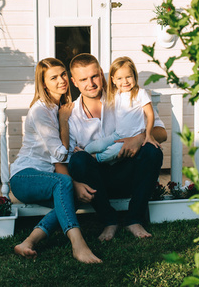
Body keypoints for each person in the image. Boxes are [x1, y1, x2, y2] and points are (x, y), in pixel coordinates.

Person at [63, 53, 167, 241]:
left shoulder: (126, 97)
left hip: (128, 173)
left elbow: (161, 133)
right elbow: (68, 158)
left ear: (102, 76)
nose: (91, 83)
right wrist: (75, 184)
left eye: (94, 76)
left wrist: (139, 138)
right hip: (96, 183)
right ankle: (109, 220)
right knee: (79, 160)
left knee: (152, 150)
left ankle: (134, 219)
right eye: (83, 79)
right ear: (74, 82)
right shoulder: (71, 115)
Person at [10, 58, 101, 264]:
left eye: (62, 75)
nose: (61, 80)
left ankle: (28, 242)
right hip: (25, 177)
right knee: (66, 184)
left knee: (72, 197)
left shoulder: (58, 106)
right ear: (43, 84)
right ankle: (78, 244)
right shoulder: (41, 110)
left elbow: (65, 151)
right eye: (54, 77)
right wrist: (63, 122)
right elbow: (60, 154)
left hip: (47, 179)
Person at [83, 57, 159, 163]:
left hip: (132, 136)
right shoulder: (116, 95)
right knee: (98, 145)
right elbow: (105, 87)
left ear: (134, 76)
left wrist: (149, 134)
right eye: (120, 78)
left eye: (128, 77)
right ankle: (83, 153)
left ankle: (96, 158)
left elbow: (150, 114)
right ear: (113, 80)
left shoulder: (140, 93)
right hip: (118, 134)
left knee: (114, 151)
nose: (125, 81)